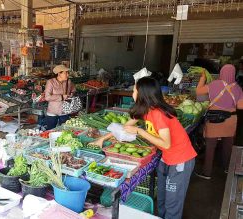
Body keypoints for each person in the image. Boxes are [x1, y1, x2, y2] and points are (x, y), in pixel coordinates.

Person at [92, 77, 197, 219]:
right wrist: (102, 139)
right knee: (161, 200)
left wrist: (140, 131)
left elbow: (166, 144)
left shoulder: (158, 114)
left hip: (180, 160)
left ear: (142, 93)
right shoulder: (145, 110)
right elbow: (124, 129)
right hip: (166, 158)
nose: (132, 93)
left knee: (172, 204)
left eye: (134, 90)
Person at [195, 64, 243, 179]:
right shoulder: (238, 88)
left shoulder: (214, 84)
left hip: (214, 119)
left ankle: (207, 173)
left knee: (210, 146)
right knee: (228, 146)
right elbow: (240, 106)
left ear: (221, 73)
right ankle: (227, 168)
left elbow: (198, 92)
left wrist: (202, 79)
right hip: (230, 120)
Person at [44, 65, 76, 130]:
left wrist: (71, 95)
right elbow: (47, 97)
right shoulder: (50, 82)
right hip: (53, 111)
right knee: (50, 130)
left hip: (65, 110)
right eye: (65, 73)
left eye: (68, 72)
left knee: (64, 130)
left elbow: (73, 90)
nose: (67, 74)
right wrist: (61, 97)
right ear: (59, 73)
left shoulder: (68, 82)